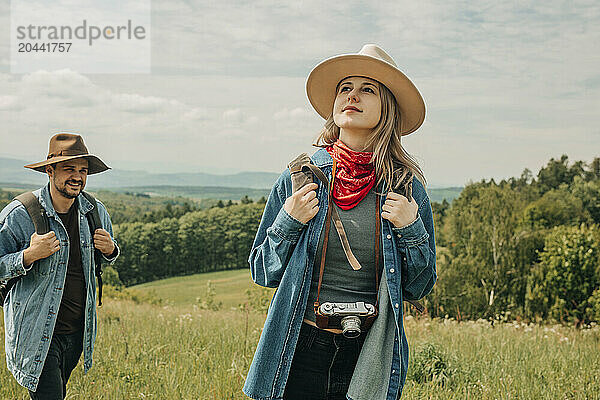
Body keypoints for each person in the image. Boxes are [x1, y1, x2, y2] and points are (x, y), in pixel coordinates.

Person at [243, 44, 436, 400]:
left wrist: (412, 230)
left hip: (369, 354)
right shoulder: (301, 177)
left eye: (368, 89)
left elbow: (420, 286)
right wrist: (288, 221)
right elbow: (261, 272)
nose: (353, 96)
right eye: (345, 87)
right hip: (299, 347)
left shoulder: (406, 188)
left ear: (387, 107)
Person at [0, 133, 119, 399]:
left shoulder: (95, 211)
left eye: (83, 170)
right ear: (50, 171)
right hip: (36, 336)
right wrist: (28, 256)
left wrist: (111, 249)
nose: (77, 176)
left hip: (76, 335)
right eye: (69, 169)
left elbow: (108, 255)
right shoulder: (21, 214)